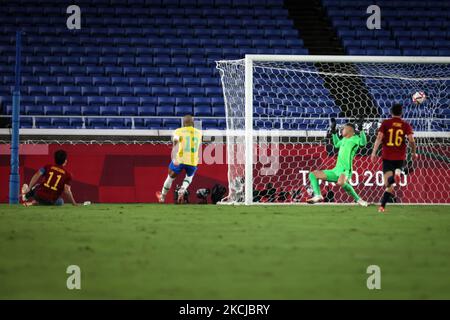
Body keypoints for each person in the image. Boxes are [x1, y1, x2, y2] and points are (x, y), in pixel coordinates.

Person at [307, 118, 368, 206]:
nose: (342, 130)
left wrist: (361, 130)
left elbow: (363, 143)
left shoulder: (355, 138)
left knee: (341, 182)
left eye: (344, 128)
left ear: (350, 130)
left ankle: (359, 200)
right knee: (312, 174)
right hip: (336, 170)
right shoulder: (343, 140)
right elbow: (336, 144)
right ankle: (318, 195)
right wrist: (333, 131)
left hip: (345, 170)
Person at [370, 103, 417, 212]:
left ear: (391, 112)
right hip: (399, 158)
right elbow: (411, 140)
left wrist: (373, 153)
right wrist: (414, 153)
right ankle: (382, 206)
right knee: (390, 185)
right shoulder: (405, 125)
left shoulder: (386, 123)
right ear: (402, 113)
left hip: (387, 157)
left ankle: (382, 206)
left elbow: (379, 138)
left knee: (388, 184)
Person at [156, 115, 202, 204]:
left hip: (180, 159)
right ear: (193, 123)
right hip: (193, 160)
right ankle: (182, 189)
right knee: (189, 176)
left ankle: (162, 197)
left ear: (183, 123)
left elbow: (175, 142)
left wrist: (173, 157)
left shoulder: (178, 131)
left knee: (171, 176)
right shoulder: (199, 133)